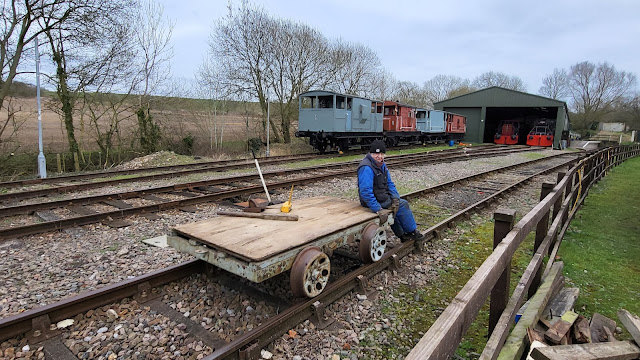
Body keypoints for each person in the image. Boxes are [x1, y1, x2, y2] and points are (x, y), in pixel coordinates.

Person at [357, 139, 424, 242]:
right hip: (373, 202)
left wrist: (395, 198)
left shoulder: (381, 164)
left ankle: (402, 235)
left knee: (396, 206)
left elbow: (390, 183)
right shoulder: (367, 168)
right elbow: (365, 192)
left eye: (382, 153)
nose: (379, 156)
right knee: (403, 205)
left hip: (382, 198)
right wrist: (377, 209)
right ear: (371, 154)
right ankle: (412, 231)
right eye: (376, 153)